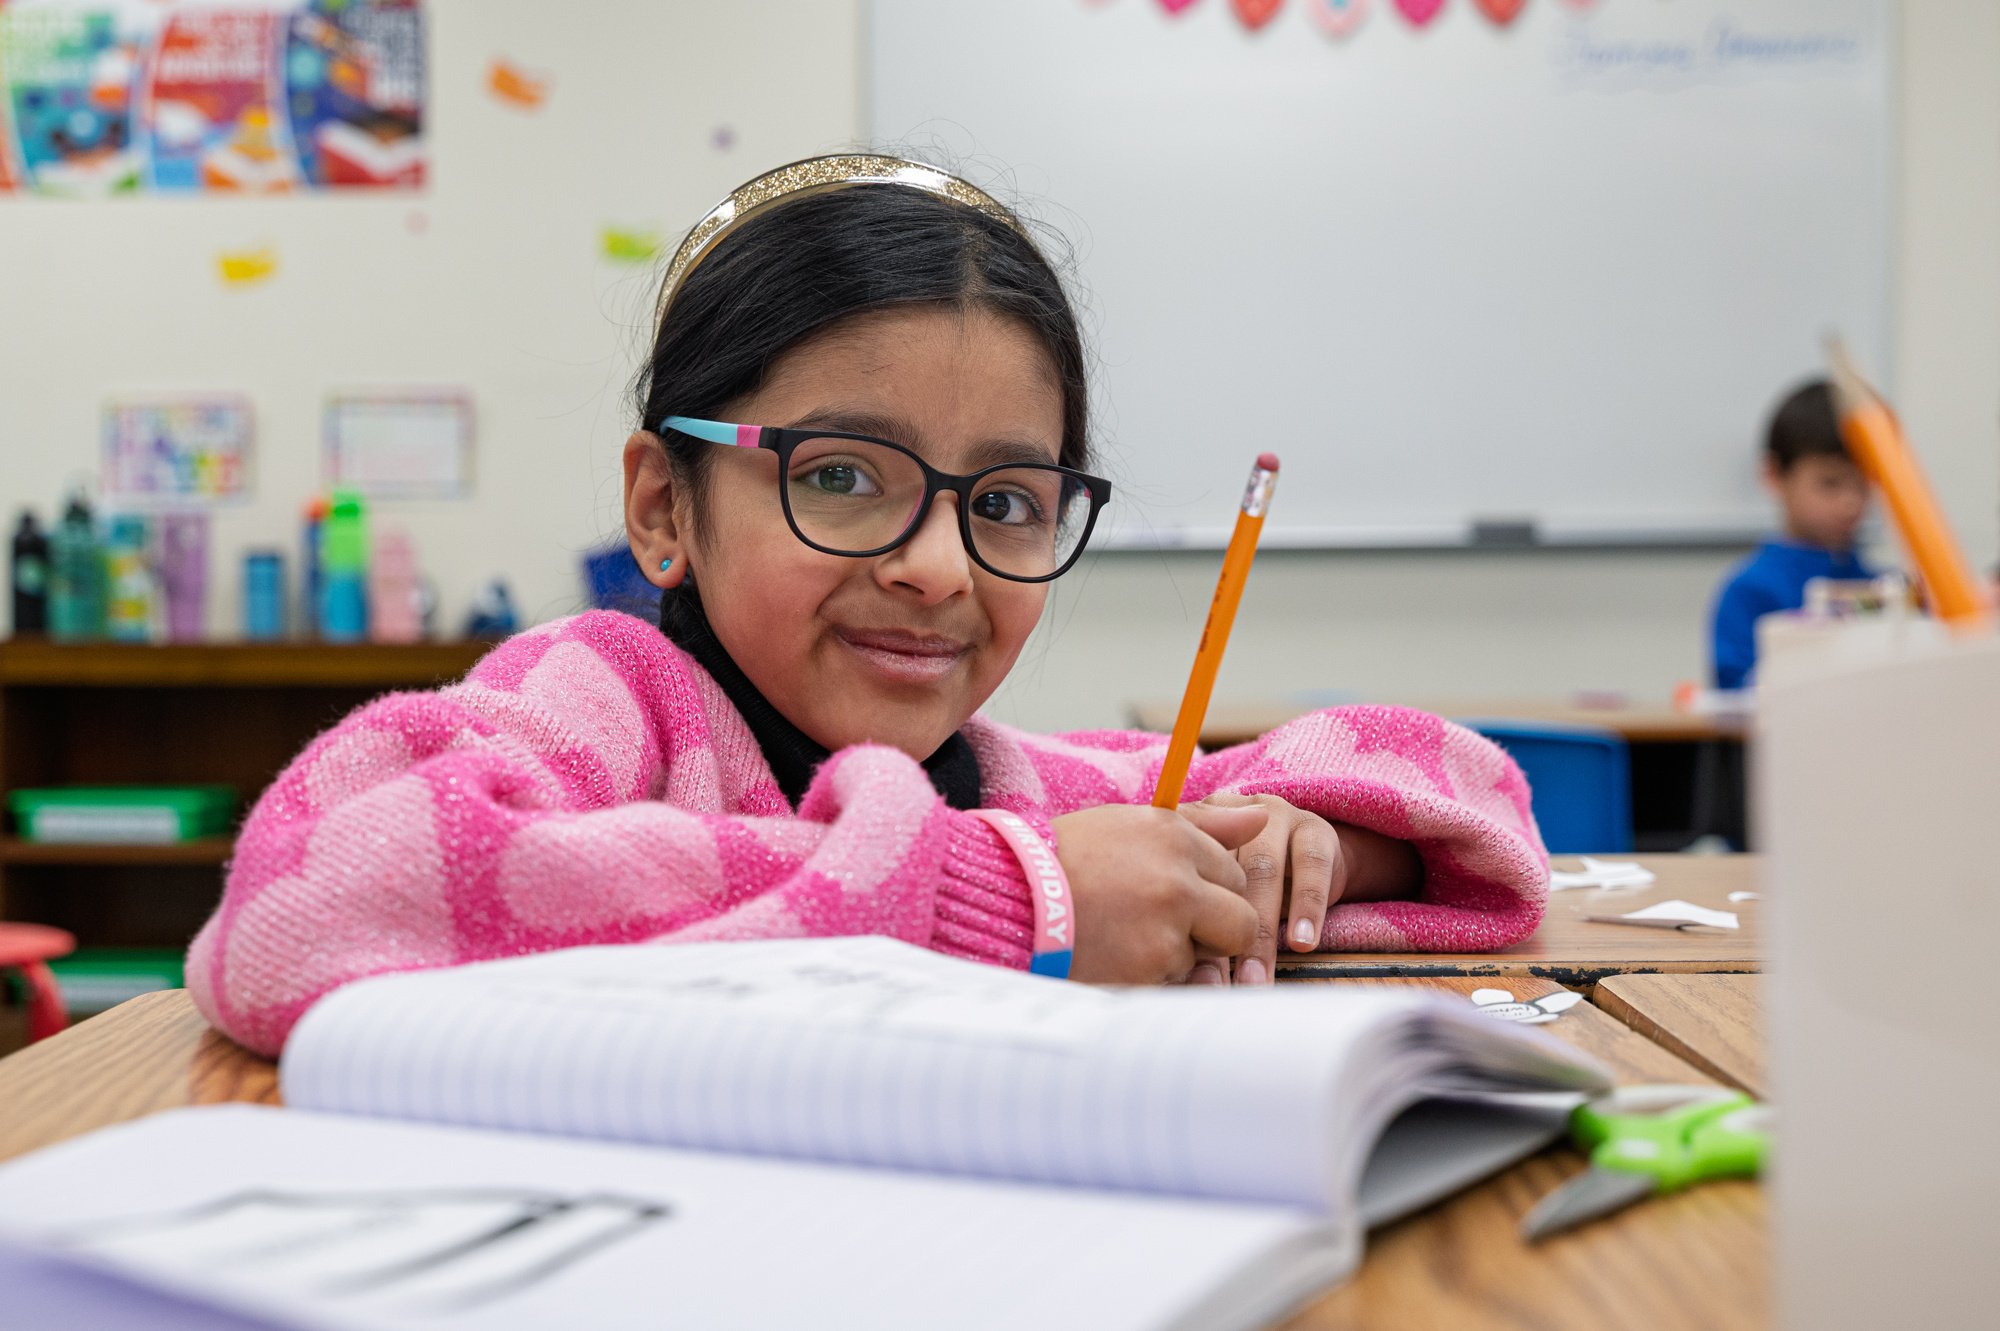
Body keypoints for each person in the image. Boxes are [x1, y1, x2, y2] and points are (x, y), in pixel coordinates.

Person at [185, 155, 1547, 1057]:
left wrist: (1305, 853)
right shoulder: (606, 701)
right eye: (843, 475)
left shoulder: (1014, 781)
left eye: (1008, 500)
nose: (942, 569)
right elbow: (301, 908)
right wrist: (1010, 902)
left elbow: (1462, 786)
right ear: (665, 505)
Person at [1709, 380, 1873, 690]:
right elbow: (1733, 696)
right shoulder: (1748, 591)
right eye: (1830, 483)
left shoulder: (1883, 586)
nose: (1852, 502)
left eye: (1864, 484)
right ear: (1774, 475)